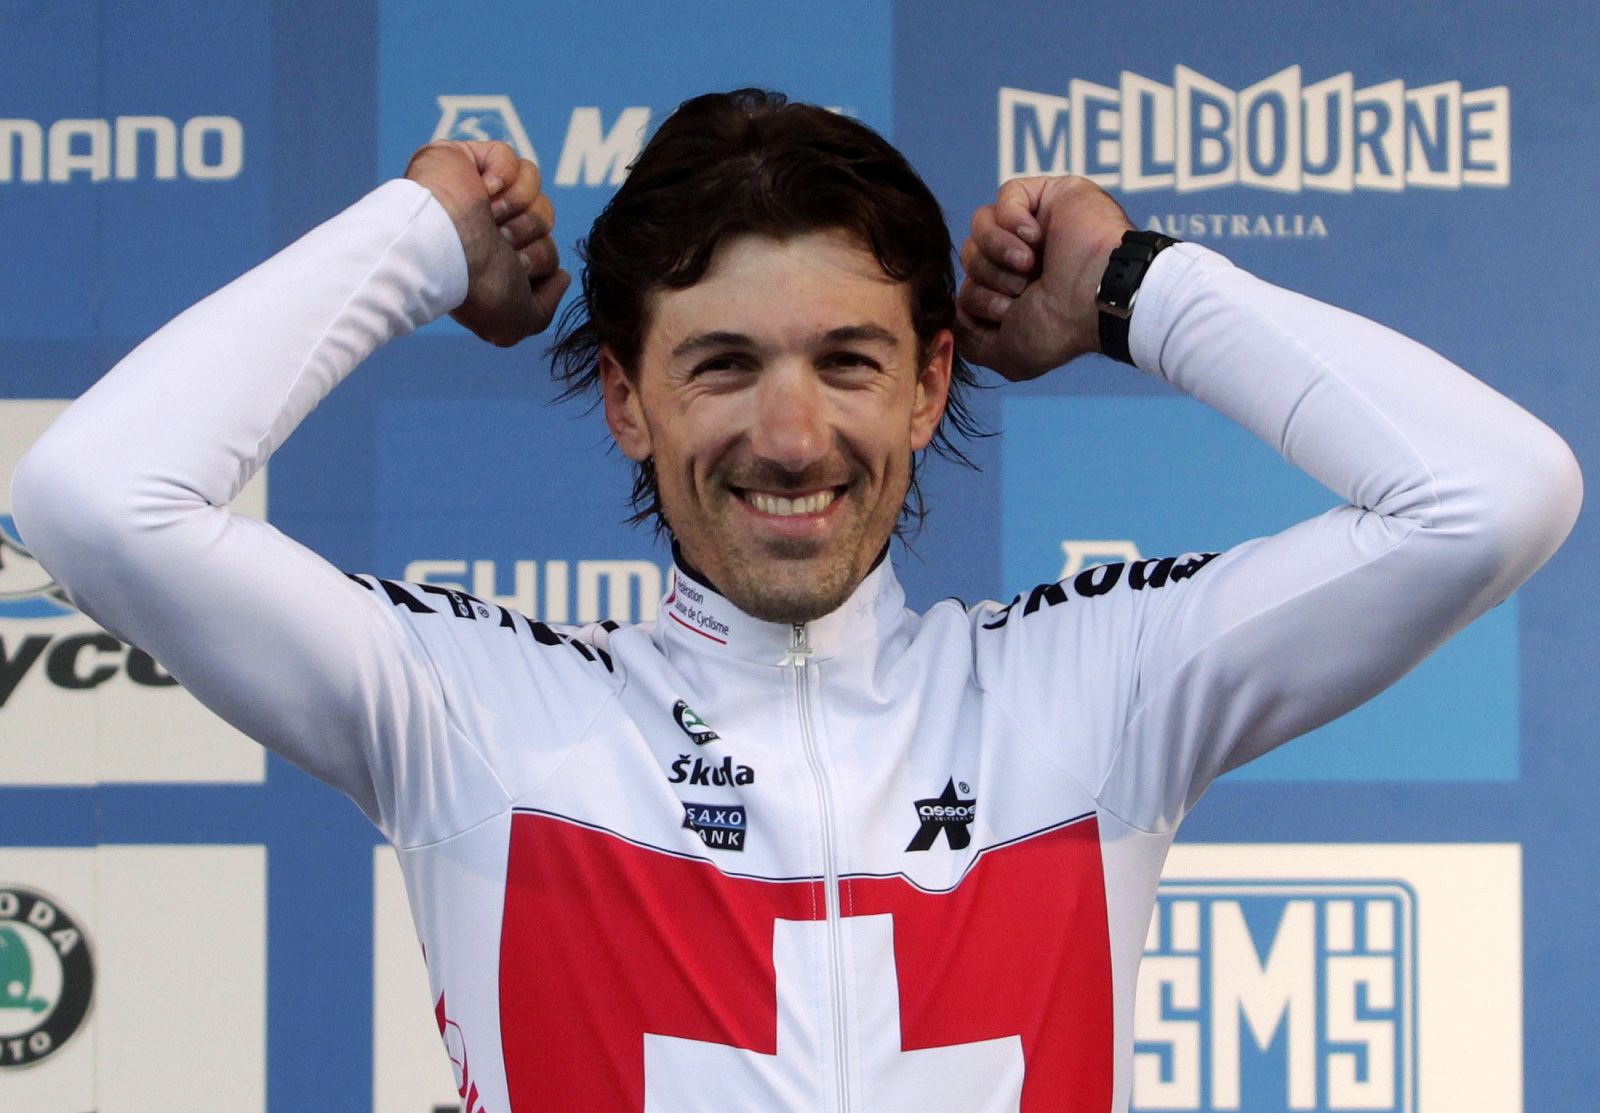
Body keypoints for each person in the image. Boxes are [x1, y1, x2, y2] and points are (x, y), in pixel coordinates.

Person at [11, 89, 1580, 1112]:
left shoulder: (1103, 687)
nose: (789, 434)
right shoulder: (470, 713)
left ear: (930, 383)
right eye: (721, 364)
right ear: (625, 401)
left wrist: (1130, 286)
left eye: (847, 360)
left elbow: (1494, 494)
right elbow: (95, 499)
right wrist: (418, 240)